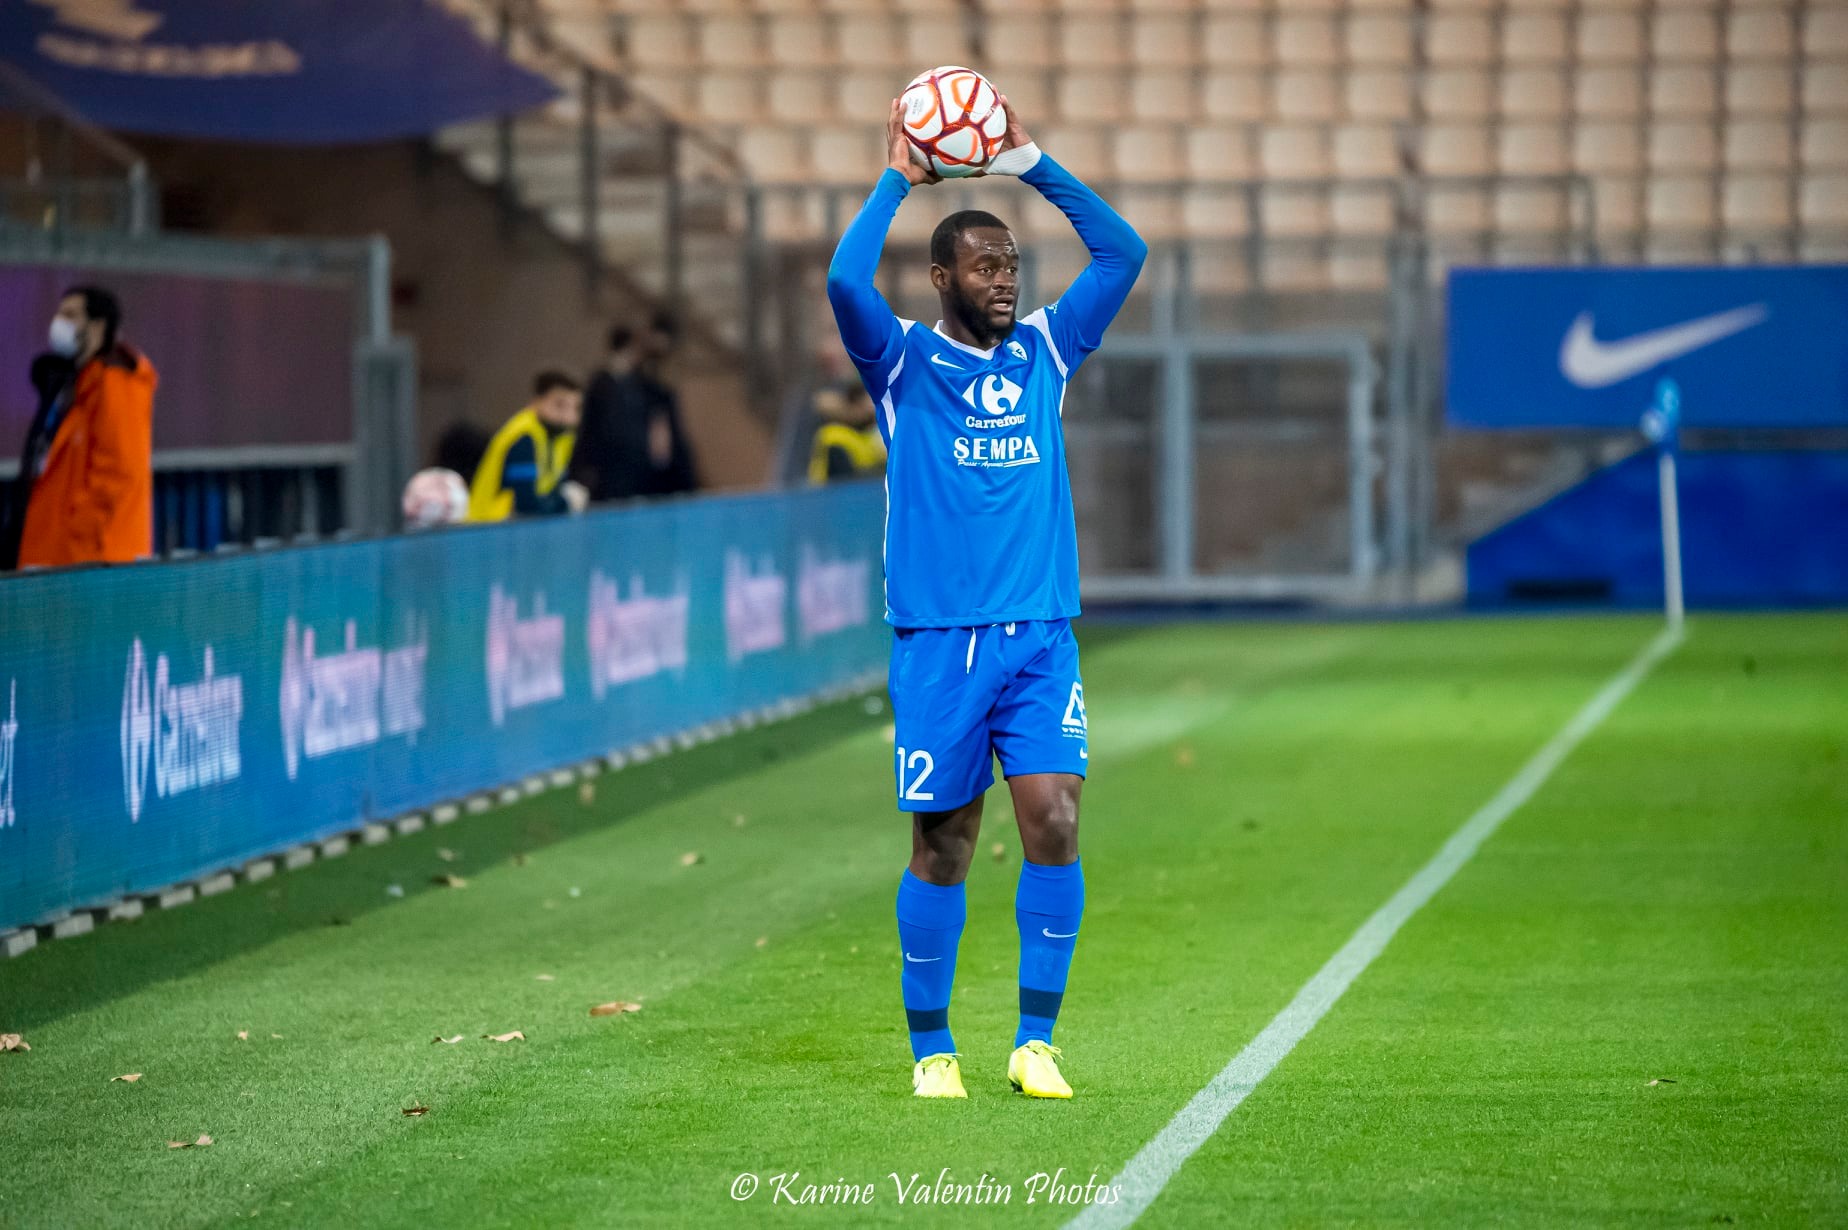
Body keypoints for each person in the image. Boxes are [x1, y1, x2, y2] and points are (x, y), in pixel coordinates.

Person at [827, 99, 1146, 1099]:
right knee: (944, 842)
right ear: (941, 278)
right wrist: (900, 177)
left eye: (1012, 266)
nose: (1004, 281)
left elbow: (1123, 252)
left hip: (1040, 638)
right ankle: (932, 1051)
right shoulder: (901, 366)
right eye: (985, 266)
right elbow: (843, 277)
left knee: (1053, 818)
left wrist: (1030, 161)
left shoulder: (1045, 354)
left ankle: (1034, 1042)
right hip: (939, 643)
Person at [3, 285, 156, 570]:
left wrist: (78, 538)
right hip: (60, 555)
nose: (58, 324)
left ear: (98, 326)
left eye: (71, 315)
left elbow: (118, 474)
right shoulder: (76, 385)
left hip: (89, 559)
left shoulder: (116, 384)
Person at [572, 313, 698, 502]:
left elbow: (664, 441)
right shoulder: (604, 386)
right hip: (614, 478)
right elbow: (593, 433)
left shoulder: (649, 389)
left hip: (645, 477)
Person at [467, 371, 587, 522]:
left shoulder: (561, 439)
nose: (569, 416)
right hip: (488, 528)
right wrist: (566, 503)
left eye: (575, 408)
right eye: (559, 405)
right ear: (536, 401)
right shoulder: (523, 438)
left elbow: (552, 490)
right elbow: (525, 506)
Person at [806, 379, 886, 484]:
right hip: (832, 496)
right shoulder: (833, 436)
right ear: (856, 403)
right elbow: (844, 479)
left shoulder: (871, 435)